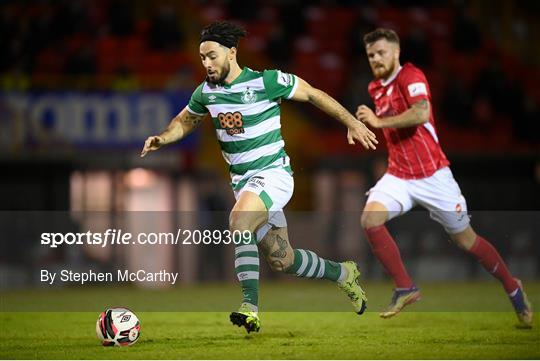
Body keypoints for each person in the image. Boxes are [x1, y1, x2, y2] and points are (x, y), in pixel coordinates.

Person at [141, 21, 378, 333]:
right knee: (284, 260)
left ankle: (249, 307)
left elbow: (312, 94)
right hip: (245, 185)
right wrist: (162, 138)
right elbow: (184, 122)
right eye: (202, 58)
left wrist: (350, 122)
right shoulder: (206, 93)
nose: (207, 64)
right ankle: (343, 274)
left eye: (212, 56)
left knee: (239, 221)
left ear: (232, 53)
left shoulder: (266, 81)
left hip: (273, 175)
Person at [356, 28, 532, 328]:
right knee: (370, 220)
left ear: (396, 52)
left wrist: (378, 121)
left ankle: (513, 287)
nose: (376, 58)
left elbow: (422, 113)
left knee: (466, 240)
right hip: (399, 174)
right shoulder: (375, 88)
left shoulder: (410, 76)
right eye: (371, 54)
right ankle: (405, 287)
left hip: (433, 176)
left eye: (381, 52)